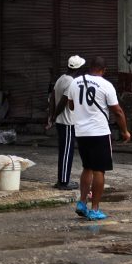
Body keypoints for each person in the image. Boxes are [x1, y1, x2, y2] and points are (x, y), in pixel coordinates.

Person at [65, 56, 131, 221]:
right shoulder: (106, 85)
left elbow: (71, 105)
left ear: (90, 68)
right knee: (99, 170)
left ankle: (82, 203)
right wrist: (125, 131)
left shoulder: (75, 82)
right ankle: (94, 209)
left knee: (87, 167)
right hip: (99, 132)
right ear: (104, 70)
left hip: (81, 132)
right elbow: (118, 111)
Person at [46, 55, 85, 190]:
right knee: (67, 152)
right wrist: (54, 116)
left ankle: (62, 179)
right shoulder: (71, 82)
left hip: (61, 122)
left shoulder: (61, 79)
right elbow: (62, 102)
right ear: (78, 68)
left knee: (64, 151)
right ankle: (63, 182)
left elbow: (52, 99)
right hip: (68, 123)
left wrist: (51, 117)